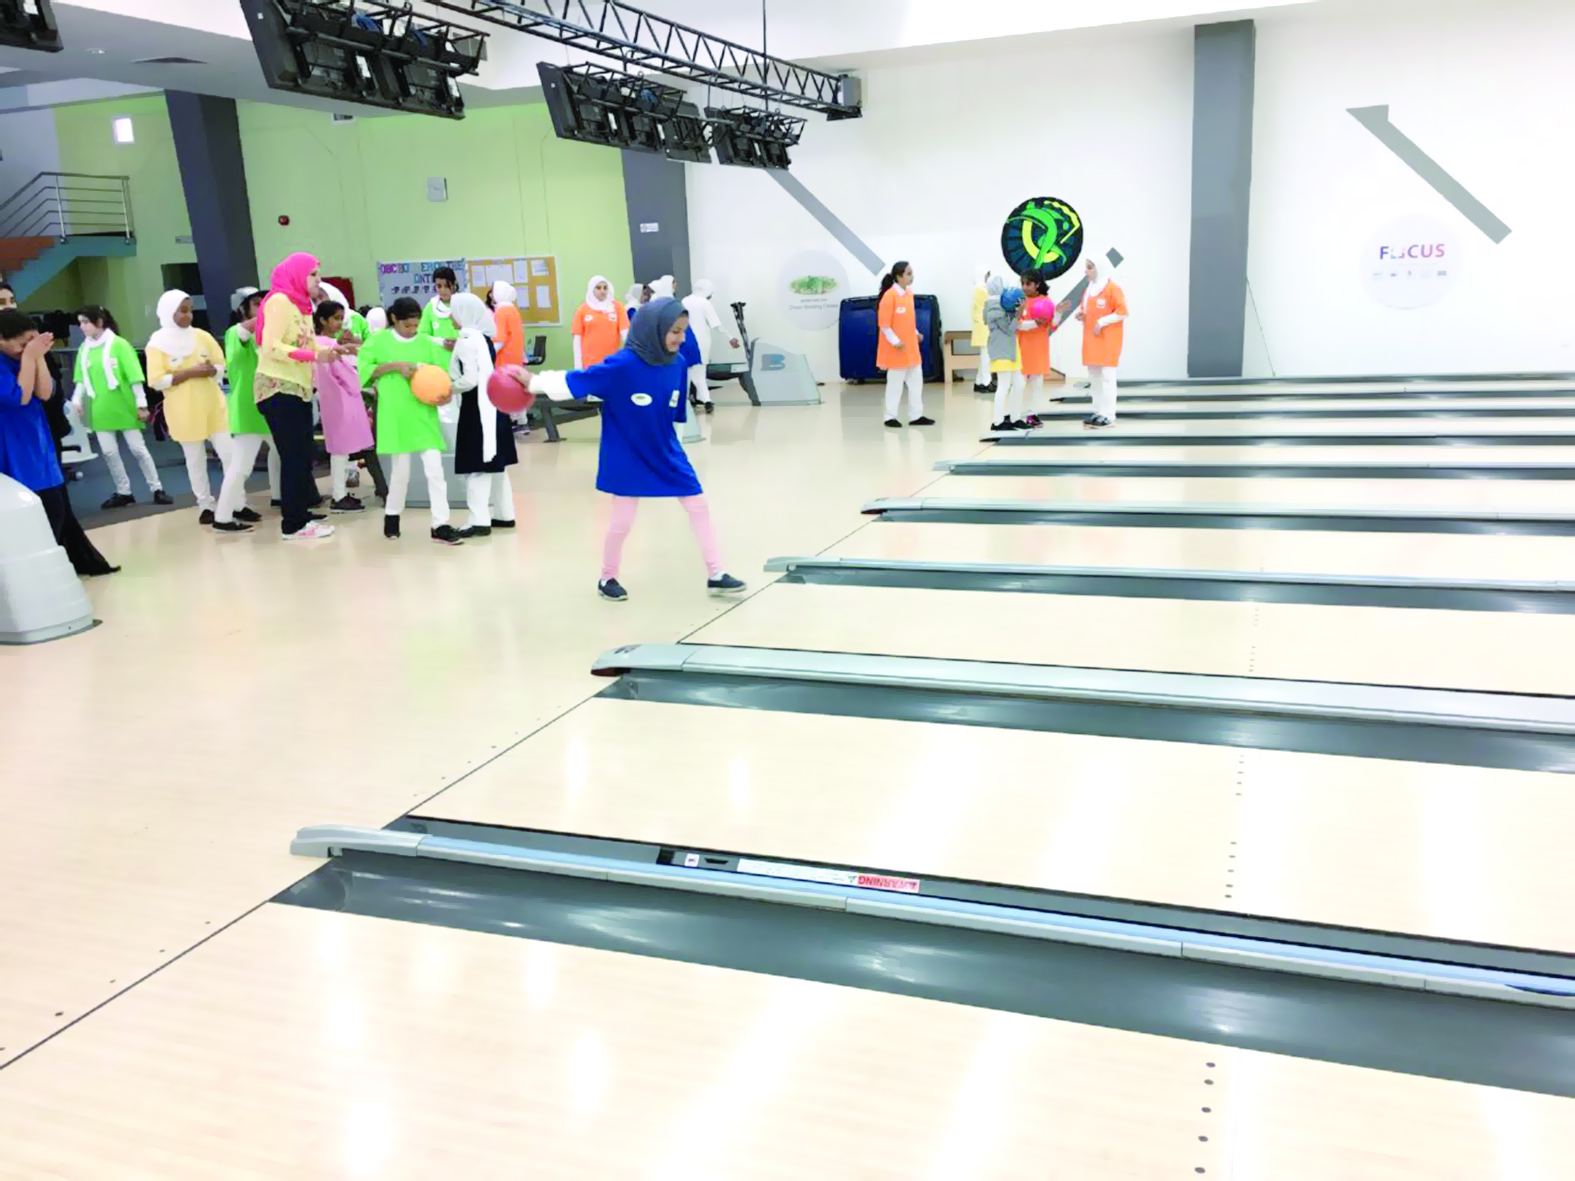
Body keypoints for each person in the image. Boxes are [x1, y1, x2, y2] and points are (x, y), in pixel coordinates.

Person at [526, 296, 744, 602]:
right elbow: (578, 381)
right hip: (626, 452)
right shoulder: (623, 364)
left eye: (684, 331)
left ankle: (716, 573)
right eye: (675, 331)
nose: (681, 338)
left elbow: (676, 411)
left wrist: (676, 447)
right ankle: (607, 578)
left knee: (698, 505)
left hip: (666, 450)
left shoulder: (678, 364)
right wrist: (533, 381)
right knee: (622, 521)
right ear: (654, 329)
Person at [359, 295, 464, 545]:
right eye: (407, 325)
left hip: (423, 412)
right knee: (400, 472)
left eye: (416, 325)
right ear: (394, 319)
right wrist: (394, 366)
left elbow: (441, 374)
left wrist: (445, 394)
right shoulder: (378, 341)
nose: (412, 330)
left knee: (435, 470)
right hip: (396, 414)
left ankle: (440, 524)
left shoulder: (425, 343)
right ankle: (392, 516)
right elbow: (363, 371)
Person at [255, 252, 341, 540]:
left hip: (299, 387)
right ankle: (292, 524)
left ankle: (300, 512)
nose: (318, 279)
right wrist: (315, 356)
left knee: (303, 455)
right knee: (293, 456)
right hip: (279, 387)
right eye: (313, 274)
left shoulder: (302, 306)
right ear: (297, 274)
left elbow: (309, 344)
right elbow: (272, 347)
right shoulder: (279, 301)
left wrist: (333, 350)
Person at [145, 289, 236, 527]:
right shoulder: (157, 344)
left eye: (190, 311)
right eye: (183, 311)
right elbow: (155, 380)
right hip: (183, 409)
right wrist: (189, 373)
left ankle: (236, 502)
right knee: (195, 460)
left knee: (230, 455)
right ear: (168, 312)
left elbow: (221, 364)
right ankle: (205, 505)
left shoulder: (202, 336)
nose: (188, 316)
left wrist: (212, 370)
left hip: (213, 405)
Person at [71, 304, 170, 509]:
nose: (82, 326)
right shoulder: (84, 349)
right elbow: (80, 378)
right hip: (99, 407)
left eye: (86, 322)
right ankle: (124, 492)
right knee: (109, 453)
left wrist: (142, 404)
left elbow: (135, 377)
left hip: (125, 405)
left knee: (138, 449)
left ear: (99, 321)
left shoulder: (120, 345)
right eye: (80, 322)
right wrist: (76, 400)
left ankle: (157, 488)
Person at [447, 291, 518, 538]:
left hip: (475, 408)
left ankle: (478, 520)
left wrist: (447, 387)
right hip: (494, 406)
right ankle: (504, 514)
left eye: (453, 312)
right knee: (497, 465)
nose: (450, 316)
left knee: (476, 465)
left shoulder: (466, 341)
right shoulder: (484, 338)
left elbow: (469, 379)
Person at [313, 298, 384, 513]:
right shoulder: (326, 346)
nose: (339, 323)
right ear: (323, 320)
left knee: (340, 449)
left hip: (336, 398)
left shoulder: (323, 344)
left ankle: (340, 492)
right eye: (335, 318)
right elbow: (345, 374)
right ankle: (339, 495)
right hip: (341, 399)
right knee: (340, 450)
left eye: (341, 318)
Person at [215, 287, 275, 529]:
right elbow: (244, 331)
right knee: (241, 466)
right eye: (257, 304)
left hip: (269, 406)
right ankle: (222, 516)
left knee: (288, 457)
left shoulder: (268, 336)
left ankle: (290, 502)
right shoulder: (235, 333)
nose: (263, 308)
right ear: (244, 309)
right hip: (248, 408)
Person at [1077, 249, 1128, 428]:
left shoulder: (1113, 289)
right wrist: (1082, 316)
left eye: (1090, 267)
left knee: (1107, 378)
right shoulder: (1088, 290)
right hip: (1091, 340)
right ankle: (1098, 412)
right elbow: (1086, 310)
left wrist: (1102, 321)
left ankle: (1109, 415)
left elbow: (1122, 312)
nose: (1086, 271)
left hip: (1108, 341)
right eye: (1086, 267)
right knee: (1095, 378)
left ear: (1100, 268)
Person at [877, 260, 930, 428]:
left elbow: (908, 320)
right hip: (896, 350)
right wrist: (896, 342)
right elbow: (884, 325)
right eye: (908, 273)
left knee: (916, 383)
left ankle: (916, 415)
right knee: (895, 384)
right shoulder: (889, 296)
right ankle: (890, 416)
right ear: (899, 276)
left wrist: (916, 333)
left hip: (911, 349)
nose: (912, 276)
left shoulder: (909, 294)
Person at [680, 279, 740, 414]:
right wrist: (730, 337)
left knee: (686, 373)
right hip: (701, 342)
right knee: (699, 373)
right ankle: (706, 400)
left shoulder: (684, 301)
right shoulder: (704, 303)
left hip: (684, 341)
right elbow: (716, 324)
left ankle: (689, 401)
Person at [1016, 267, 1059, 427]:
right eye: (1022, 283)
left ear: (1037, 284)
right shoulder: (1019, 301)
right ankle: (1015, 415)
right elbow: (1016, 325)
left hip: (1038, 349)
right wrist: (1033, 323)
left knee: (1036, 385)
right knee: (1018, 384)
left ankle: (1033, 414)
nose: (1024, 287)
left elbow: (1052, 325)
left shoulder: (1046, 302)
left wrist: (1058, 314)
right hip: (1020, 349)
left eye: (1028, 284)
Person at [982, 277, 1025, 432]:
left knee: (1019, 384)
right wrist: (1019, 313)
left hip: (1010, 350)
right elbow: (1009, 329)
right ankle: (997, 422)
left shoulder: (1000, 307)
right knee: (1004, 386)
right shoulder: (994, 309)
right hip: (1002, 352)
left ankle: (1015, 418)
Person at [572, 275, 626, 371]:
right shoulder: (583, 309)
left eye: (605, 288)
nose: (602, 291)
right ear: (591, 289)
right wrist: (578, 367)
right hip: (589, 364)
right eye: (598, 288)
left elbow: (625, 333)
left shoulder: (617, 307)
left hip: (612, 362)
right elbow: (577, 339)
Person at [418, 266, 461, 351]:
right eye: (439, 286)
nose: (443, 290)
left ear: (454, 285)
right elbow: (422, 335)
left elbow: (474, 334)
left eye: (447, 286)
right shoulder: (430, 307)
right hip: (437, 357)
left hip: (462, 355)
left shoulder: (463, 305)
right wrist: (442, 342)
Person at [970, 264, 995, 394]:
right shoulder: (981, 290)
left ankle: (979, 382)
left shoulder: (979, 289)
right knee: (987, 357)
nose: (989, 278)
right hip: (984, 326)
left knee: (984, 356)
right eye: (987, 275)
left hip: (983, 325)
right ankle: (986, 382)